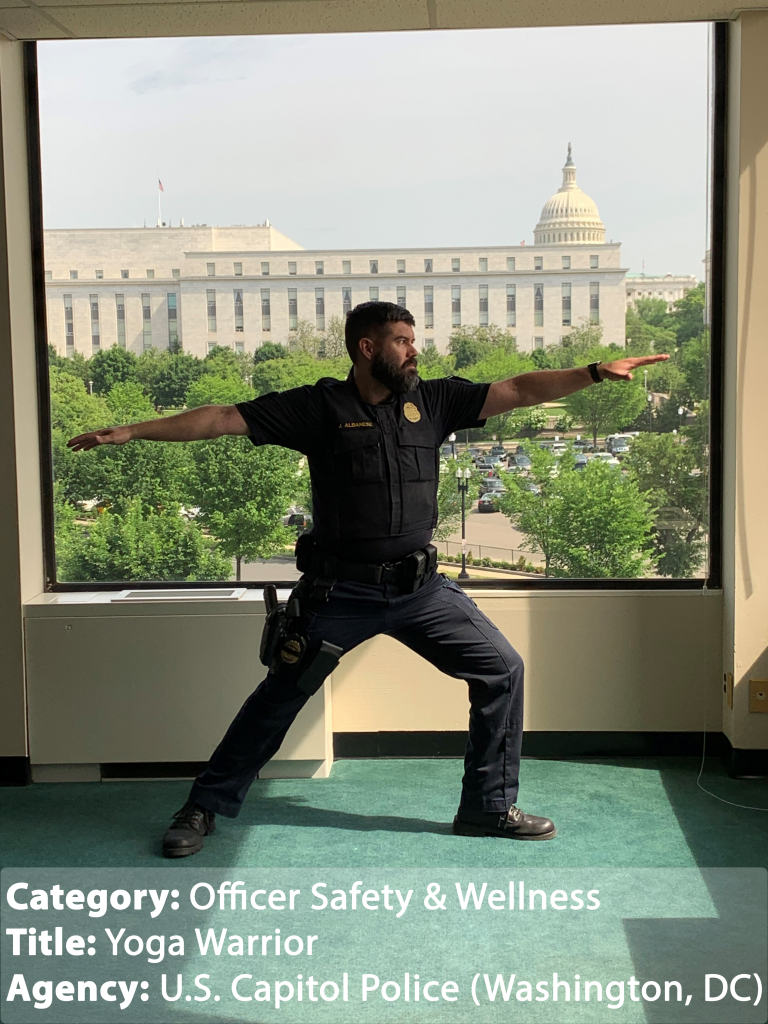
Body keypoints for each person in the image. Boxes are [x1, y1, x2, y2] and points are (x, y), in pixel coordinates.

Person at [67, 302, 667, 857]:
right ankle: (202, 808)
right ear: (365, 347)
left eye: (414, 341)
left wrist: (592, 371)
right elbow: (223, 418)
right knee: (279, 698)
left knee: (501, 669)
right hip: (339, 592)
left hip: (420, 591)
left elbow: (518, 388)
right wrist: (130, 432)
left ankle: (487, 808)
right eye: (402, 341)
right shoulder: (319, 408)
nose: (414, 351)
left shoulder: (434, 401)